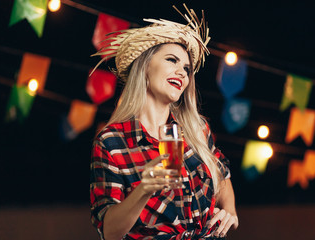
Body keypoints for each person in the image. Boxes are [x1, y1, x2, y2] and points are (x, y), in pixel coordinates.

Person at [90, 5, 238, 240]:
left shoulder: (197, 129)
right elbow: (110, 232)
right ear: (146, 66)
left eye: (187, 69)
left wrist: (230, 211)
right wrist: (144, 189)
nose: (182, 72)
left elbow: (223, 176)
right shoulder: (111, 141)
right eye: (172, 60)